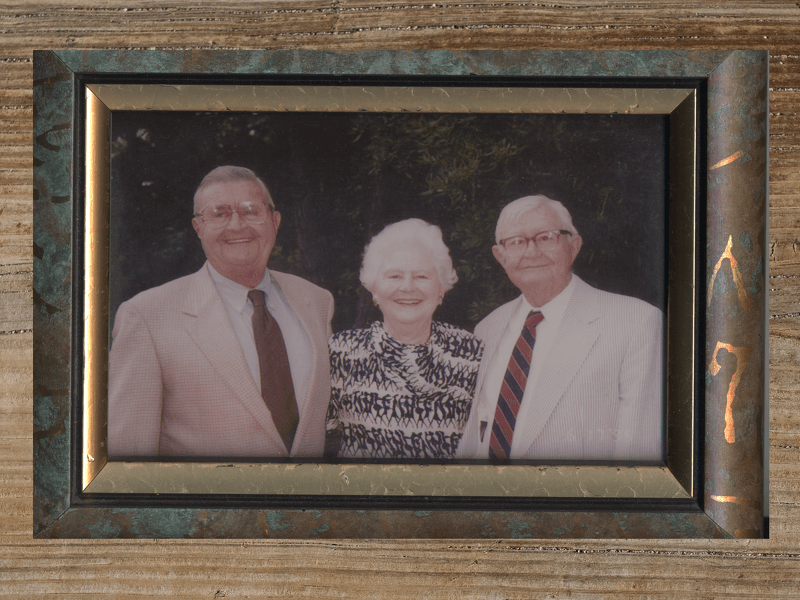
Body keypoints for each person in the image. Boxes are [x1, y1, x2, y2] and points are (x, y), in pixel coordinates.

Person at [108, 166, 334, 458]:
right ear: (198, 228)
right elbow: (130, 456)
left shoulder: (315, 301)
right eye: (219, 213)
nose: (237, 226)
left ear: (274, 221)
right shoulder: (146, 316)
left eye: (251, 211)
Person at [457, 195, 663, 461]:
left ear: (573, 246)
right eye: (517, 242)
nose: (531, 252)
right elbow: (474, 440)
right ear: (501, 256)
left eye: (546, 237)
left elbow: (638, 451)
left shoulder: (635, 322)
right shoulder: (487, 329)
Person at [325, 219, 484, 459]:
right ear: (374, 288)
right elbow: (317, 437)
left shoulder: (472, 352)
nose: (408, 287)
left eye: (421, 276)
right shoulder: (341, 351)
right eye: (394, 276)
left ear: (441, 288)